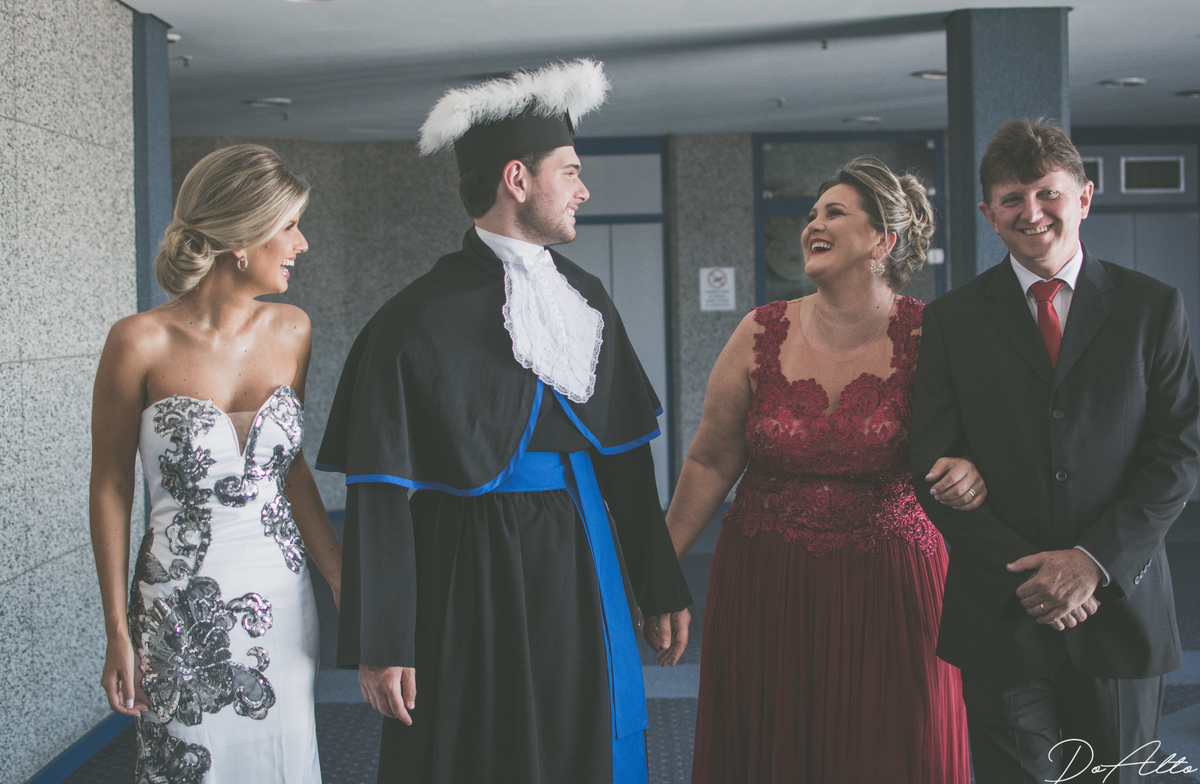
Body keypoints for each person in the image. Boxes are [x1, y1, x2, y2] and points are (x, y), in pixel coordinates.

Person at [316, 59, 692, 784]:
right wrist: (383, 639)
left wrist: (660, 583)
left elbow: (623, 454)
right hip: (467, 563)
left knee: (584, 734)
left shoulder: (586, 299)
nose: (584, 189)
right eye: (571, 172)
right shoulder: (414, 319)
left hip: (582, 555)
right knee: (483, 747)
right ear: (517, 179)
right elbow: (380, 492)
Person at [665, 156, 976, 783]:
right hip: (766, 583)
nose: (813, 225)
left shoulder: (934, 336)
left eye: (834, 213)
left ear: (883, 240)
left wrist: (970, 468)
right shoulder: (760, 331)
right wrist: (658, 573)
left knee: (892, 749)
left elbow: (979, 442)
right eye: (812, 214)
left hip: (890, 586)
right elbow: (710, 459)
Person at [910, 119, 1200, 783]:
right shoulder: (952, 320)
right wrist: (1029, 579)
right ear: (988, 214)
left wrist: (1093, 563)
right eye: (1012, 199)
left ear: (1085, 197)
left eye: (1048, 193)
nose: (1031, 212)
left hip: (1120, 607)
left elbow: (1178, 453)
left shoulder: (1152, 307)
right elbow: (929, 461)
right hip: (1001, 611)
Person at [89, 144, 343, 784]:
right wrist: (117, 630)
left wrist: (342, 576)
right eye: (289, 225)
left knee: (284, 759)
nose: (302, 243)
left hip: (282, 595)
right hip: (177, 603)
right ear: (241, 237)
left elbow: (288, 469)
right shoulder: (138, 341)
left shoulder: (293, 330)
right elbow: (112, 486)